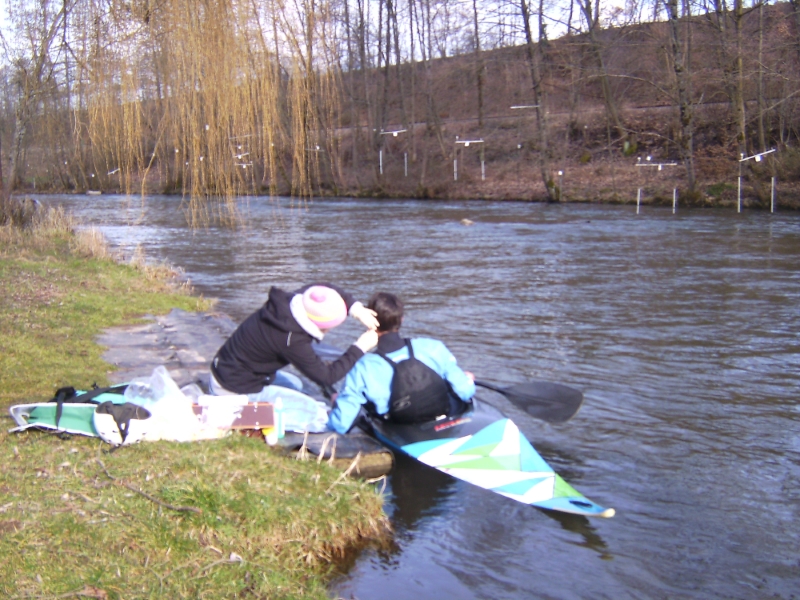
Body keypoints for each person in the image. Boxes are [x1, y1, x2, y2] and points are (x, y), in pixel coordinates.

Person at [327, 292, 475, 434]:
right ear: (402, 319)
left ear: (369, 323)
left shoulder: (362, 367)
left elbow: (340, 425)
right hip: (441, 413)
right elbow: (465, 392)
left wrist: (337, 403)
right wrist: (467, 380)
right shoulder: (433, 347)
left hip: (398, 424)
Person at [209, 283, 379, 403]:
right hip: (233, 390)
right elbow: (327, 376)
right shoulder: (291, 339)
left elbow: (325, 288)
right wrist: (360, 347)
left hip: (225, 369)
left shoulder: (297, 301)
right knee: (316, 412)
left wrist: (357, 309)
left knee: (296, 384)